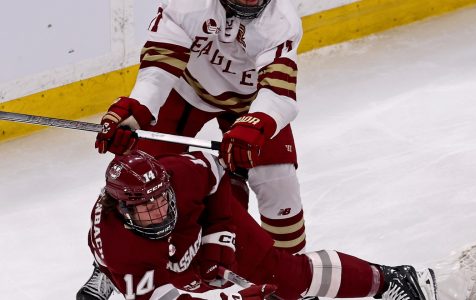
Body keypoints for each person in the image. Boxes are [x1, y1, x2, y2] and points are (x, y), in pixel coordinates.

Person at [76, 150, 438, 300]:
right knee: (188, 283)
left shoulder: (180, 176)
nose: (159, 210)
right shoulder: (123, 251)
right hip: (148, 261)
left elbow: (215, 172)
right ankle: (103, 272)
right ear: (122, 208)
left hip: (197, 221)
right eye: (146, 207)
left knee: (284, 273)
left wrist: (219, 241)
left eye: (161, 199)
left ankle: (391, 280)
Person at [94, 0, 306, 253]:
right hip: (186, 92)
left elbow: (278, 92)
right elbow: (159, 67)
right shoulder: (187, 3)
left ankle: (291, 270)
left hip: (252, 103)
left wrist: (256, 124)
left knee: (278, 182)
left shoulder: (282, 20)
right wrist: (139, 107)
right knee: (137, 178)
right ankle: (107, 262)